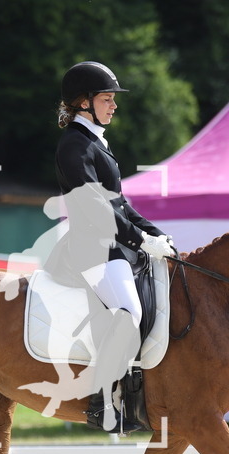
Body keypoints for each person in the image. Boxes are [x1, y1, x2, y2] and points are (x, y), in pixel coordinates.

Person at [49, 60, 175, 432]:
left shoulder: (93, 142)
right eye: (107, 98)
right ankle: (102, 401)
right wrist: (140, 240)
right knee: (129, 314)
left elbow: (119, 204)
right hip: (93, 251)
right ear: (83, 102)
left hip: (115, 248)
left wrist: (155, 234)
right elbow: (93, 205)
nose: (114, 105)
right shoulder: (74, 145)